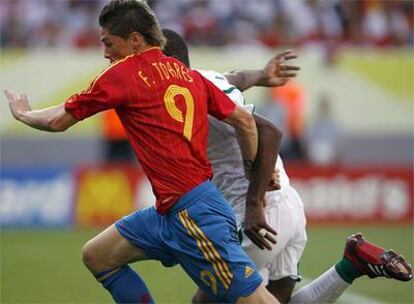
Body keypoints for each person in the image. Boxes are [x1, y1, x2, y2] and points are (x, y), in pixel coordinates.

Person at [4, 1, 280, 303]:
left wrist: (23, 114)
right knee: (98, 255)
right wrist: (253, 173)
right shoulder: (189, 75)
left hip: (195, 215)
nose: (105, 52)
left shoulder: (124, 73)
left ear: (135, 40)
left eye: (108, 43)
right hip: (173, 210)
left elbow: (58, 120)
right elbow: (245, 121)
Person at [161, 28, 413, 304]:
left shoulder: (184, 99)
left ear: (165, 63)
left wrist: (254, 203)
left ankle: (351, 264)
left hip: (255, 218)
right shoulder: (205, 79)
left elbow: (270, 133)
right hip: (287, 204)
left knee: (205, 302)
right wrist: (262, 75)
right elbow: (235, 77)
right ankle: (350, 266)